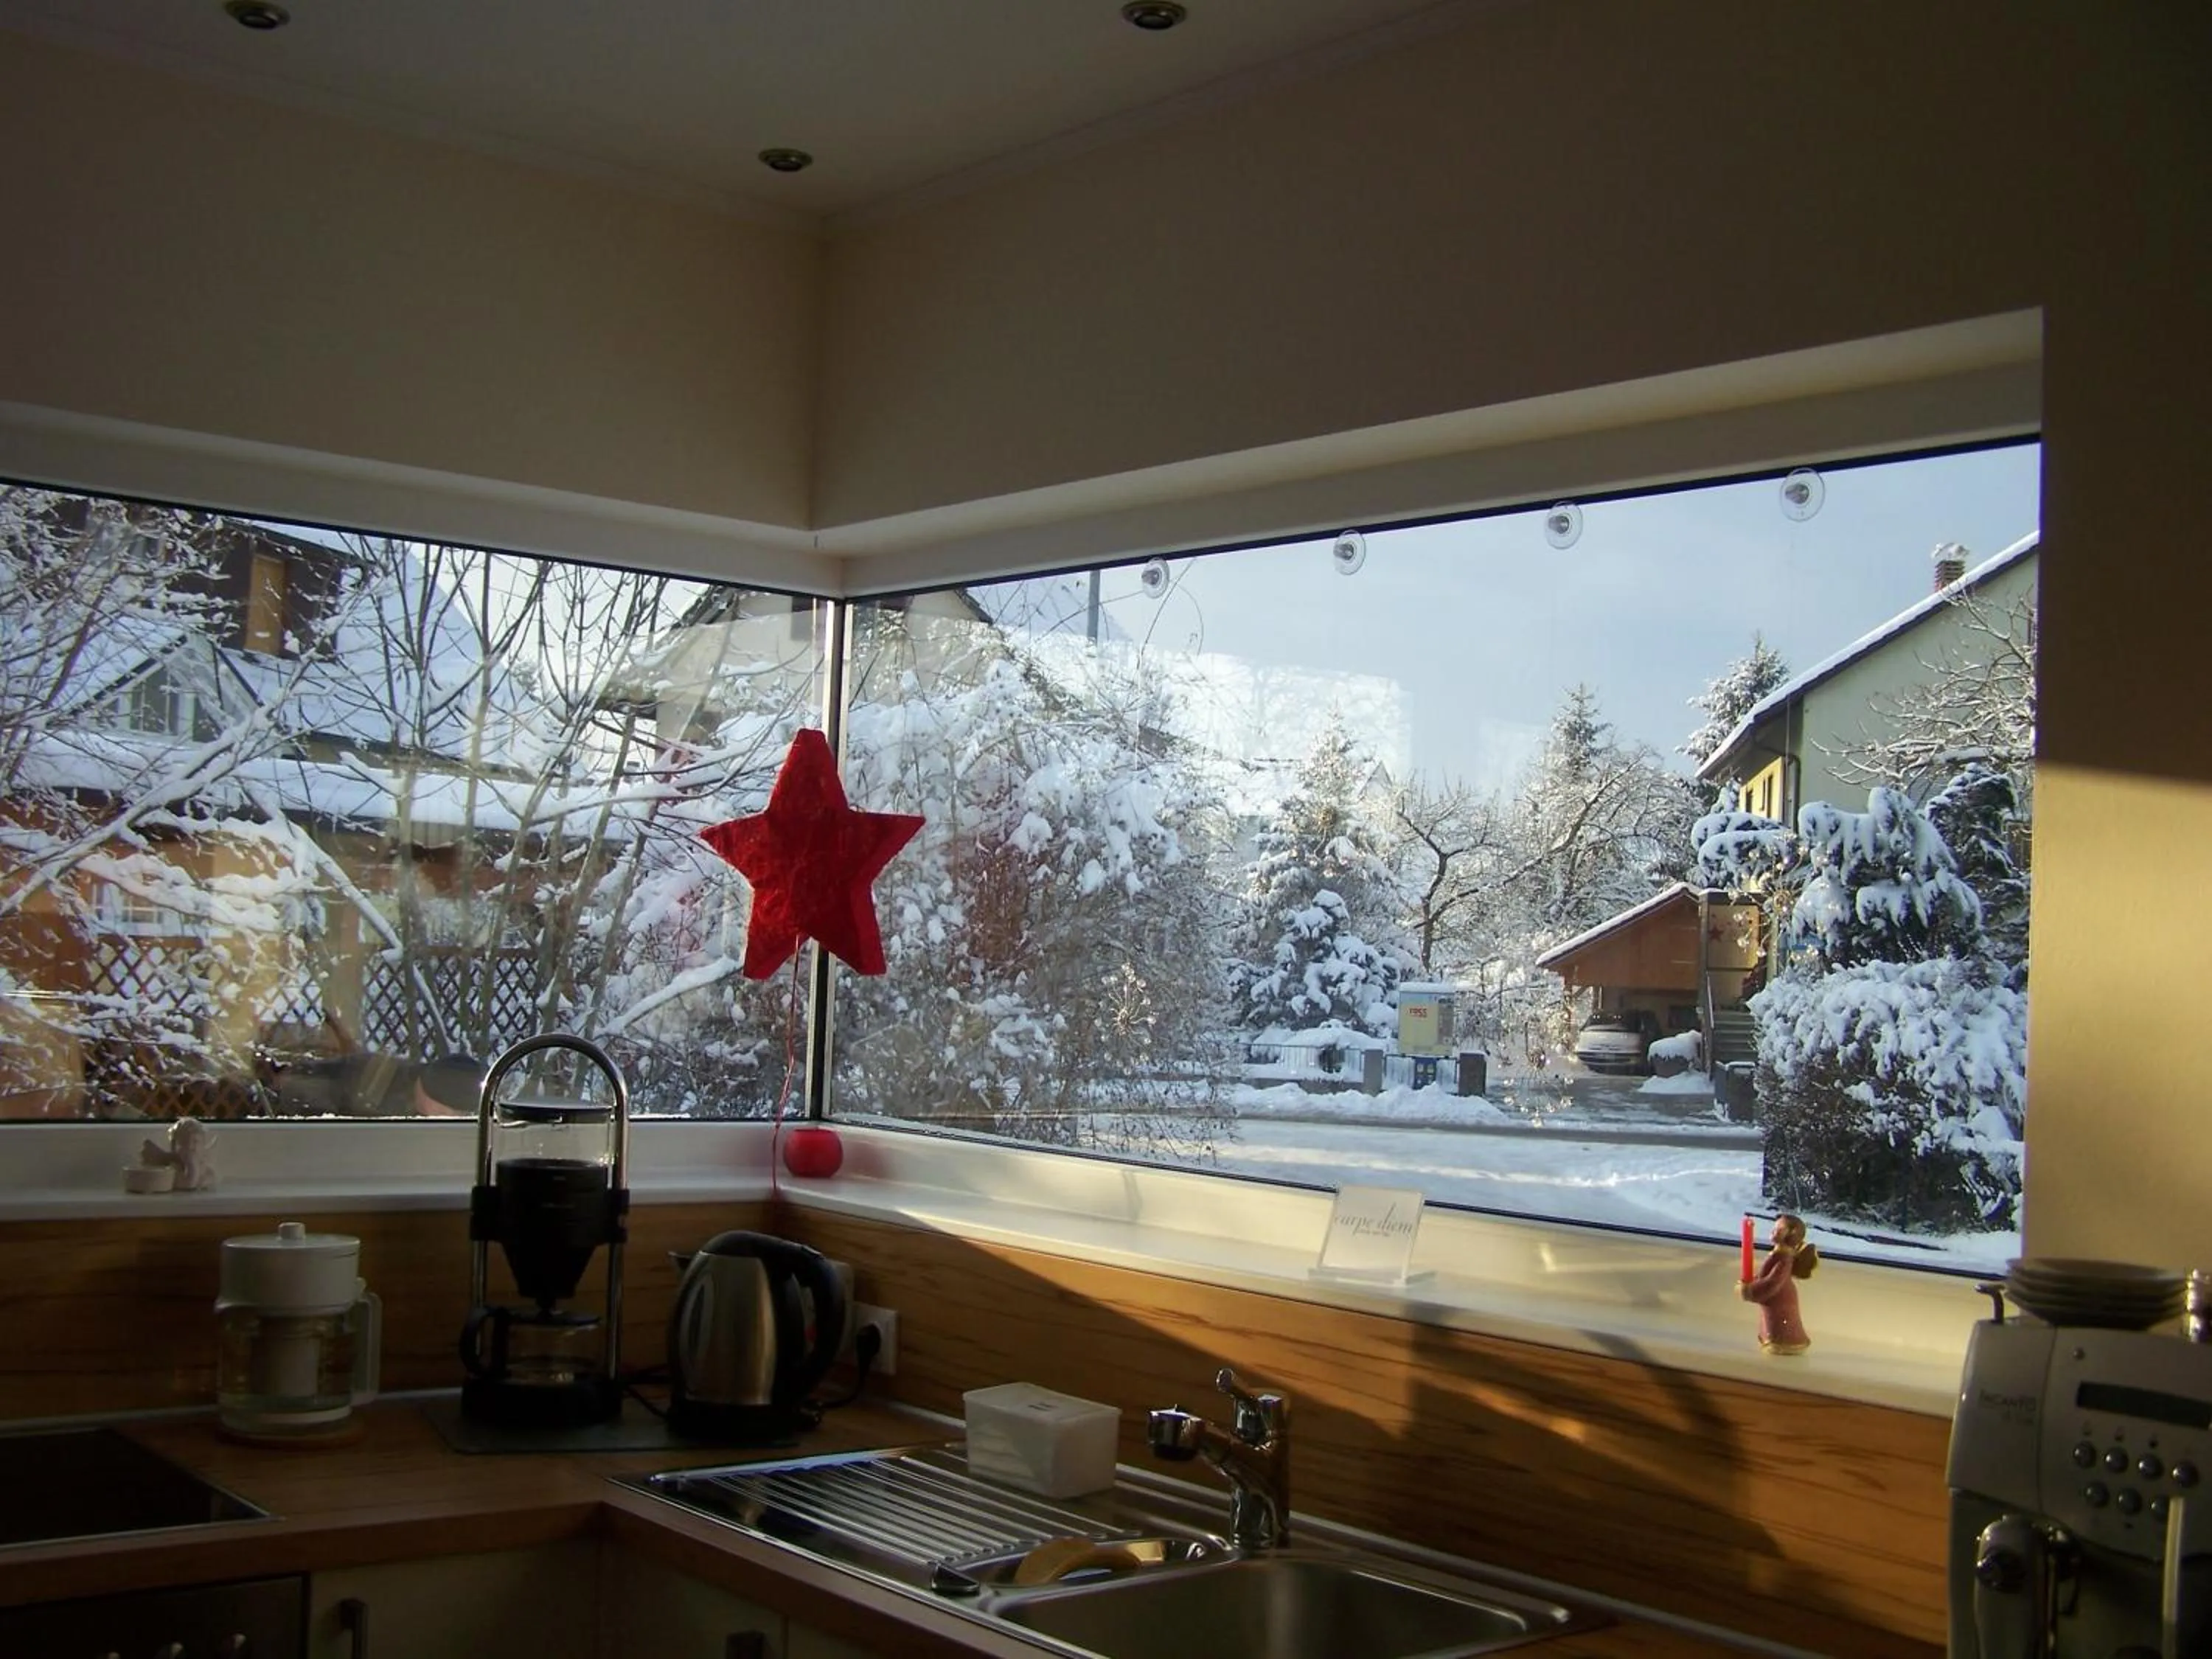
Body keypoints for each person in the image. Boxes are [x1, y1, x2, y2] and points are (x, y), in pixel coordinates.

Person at [1739, 1212, 1818, 1354]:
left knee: (1781, 1324)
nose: (1774, 1231)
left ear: (1791, 1235)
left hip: (1780, 1299)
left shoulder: (1784, 1259)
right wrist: (1752, 1281)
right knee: (1773, 1322)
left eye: (1779, 1230)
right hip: (1777, 1299)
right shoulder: (1779, 1255)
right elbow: (1765, 1276)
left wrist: (1749, 1291)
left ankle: (1787, 1342)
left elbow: (1772, 1283)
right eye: (1775, 1228)